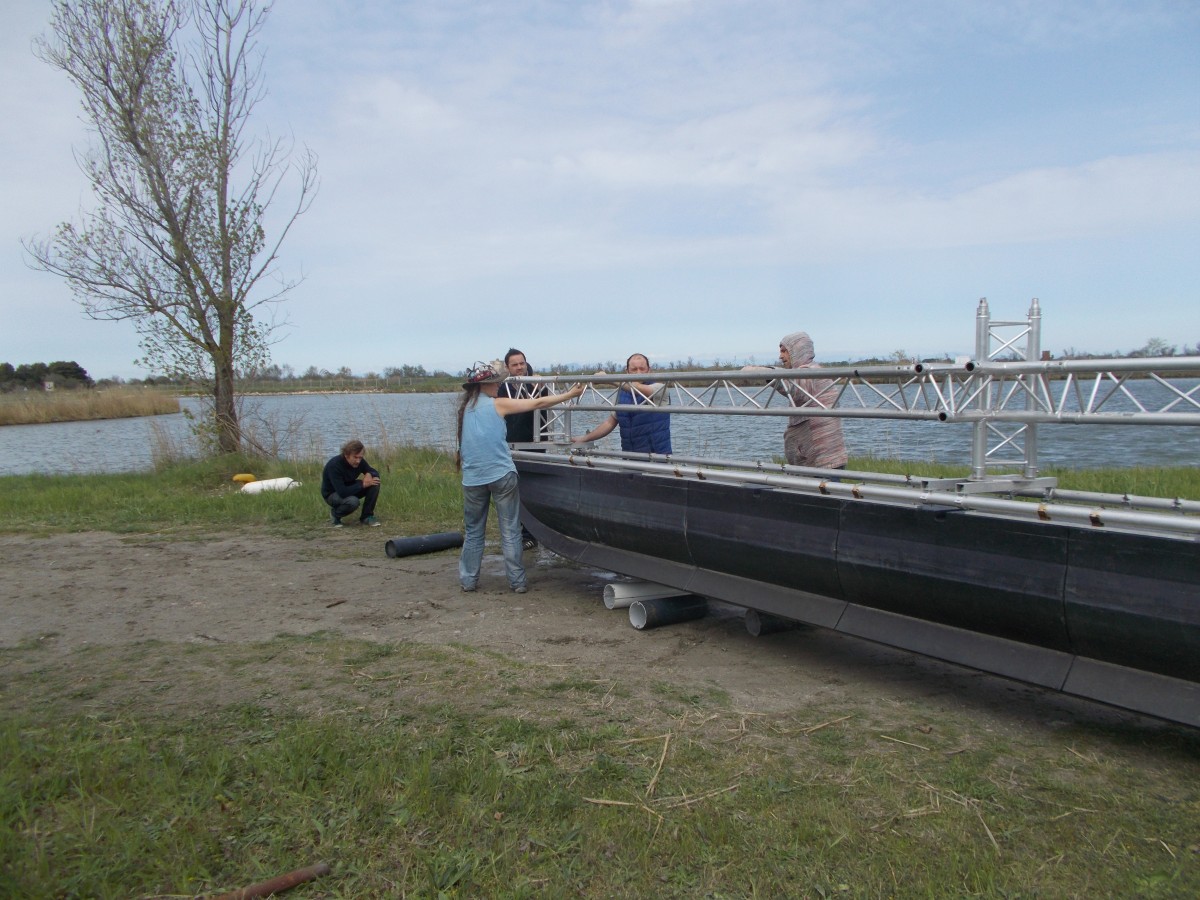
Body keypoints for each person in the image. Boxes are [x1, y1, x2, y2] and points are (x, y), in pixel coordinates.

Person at [456, 360, 584, 593]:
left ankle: (468, 580)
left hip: (473, 479)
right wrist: (569, 395)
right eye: (495, 383)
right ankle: (517, 582)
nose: (499, 386)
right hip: (502, 474)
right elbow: (539, 402)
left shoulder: (465, 410)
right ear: (484, 385)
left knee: (474, 532)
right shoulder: (499, 404)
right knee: (510, 530)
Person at [746, 331, 847, 471]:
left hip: (820, 462)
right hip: (824, 459)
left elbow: (795, 388)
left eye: (784, 351)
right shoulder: (815, 372)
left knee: (820, 486)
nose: (780, 356)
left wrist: (764, 372)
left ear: (797, 351)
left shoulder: (809, 373)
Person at [572, 352, 672, 454]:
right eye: (634, 369)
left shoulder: (660, 389)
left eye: (642, 369)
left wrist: (608, 379)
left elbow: (638, 389)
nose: (638, 373)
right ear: (627, 371)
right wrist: (585, 438)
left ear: (649, 370)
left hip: (657, 458)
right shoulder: (620, 393)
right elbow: (610, 423)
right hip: (630, 456)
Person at [497, 348, 547, 551]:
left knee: (532, 491)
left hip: (536, 445)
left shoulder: (537, 384)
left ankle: (531, 534)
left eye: (522, 363)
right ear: (507, 367)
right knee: (512, 491)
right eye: (515, 364)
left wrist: (540, 387)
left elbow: (546, 402)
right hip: (509, 446)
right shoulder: (503, 388)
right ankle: (516, 533)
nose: (519, 367)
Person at [320, 439, 382, 527]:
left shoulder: (360, 461)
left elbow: (373, 471)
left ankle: (367, 516)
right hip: (333, 493)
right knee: (353, 501)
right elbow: (343, 492)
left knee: (375, 483)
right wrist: (363, 484)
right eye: (355, 457)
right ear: (346, 455)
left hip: (349, 486)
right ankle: (335, 514)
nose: (358, 461)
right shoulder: (334, 465)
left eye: (360, 457)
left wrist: (369, 473)